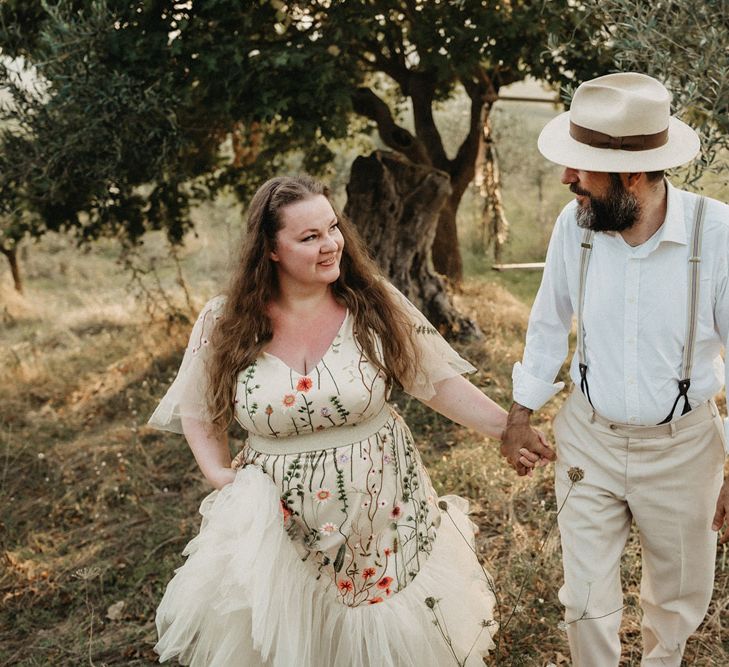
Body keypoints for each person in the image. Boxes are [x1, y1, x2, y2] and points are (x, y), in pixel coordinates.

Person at [148, 175, 528, 666]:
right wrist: (218, 472)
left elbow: (434, 383)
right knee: (296, 632)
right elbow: (200, 409)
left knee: (384, 633)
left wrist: (508, 428)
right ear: (270, 249)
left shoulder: (374, 304)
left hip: (383, 509)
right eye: (309, 237)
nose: (330, 245)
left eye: (332, 228)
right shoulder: (224, 320)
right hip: (278, 520)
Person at [501, 72, 729, 666]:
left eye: (581, 168)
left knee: (677, 604)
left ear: (632, 175)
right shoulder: (572, 226)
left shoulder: (719, 234)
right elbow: (549, 322)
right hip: (589, 440)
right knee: (584, 601)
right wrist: (520, 414)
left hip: (684, 450)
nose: (566, 179)